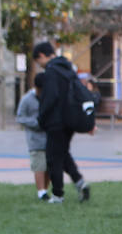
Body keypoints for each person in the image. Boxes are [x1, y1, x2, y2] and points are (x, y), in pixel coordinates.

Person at [31, 41, 91, 204]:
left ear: (42, 56)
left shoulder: (51, 71)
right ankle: (80, 183)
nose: (40, 65)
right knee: (63, 154)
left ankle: (58, 194)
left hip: (55, 121)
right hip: (70, 119)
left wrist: (42, 117)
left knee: (53, 158)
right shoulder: (67, 68)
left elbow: (50, 97)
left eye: (38, 61)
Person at [15, 72, 49, 200]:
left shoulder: (48, 97)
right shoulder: (27, 99)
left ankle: (45, 189)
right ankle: (41, 192)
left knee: (48, 166)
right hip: (35, 139)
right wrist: (36, 123)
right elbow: (20, 117)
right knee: (39, 165)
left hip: (49, 136)